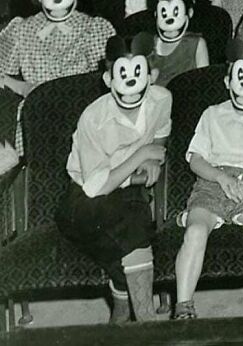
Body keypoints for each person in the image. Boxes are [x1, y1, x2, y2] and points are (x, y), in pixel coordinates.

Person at [56, 33, 171, 323]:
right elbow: (95, 188)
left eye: (138, 73)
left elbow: (161, 134)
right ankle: (146, 324)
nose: (131, 84)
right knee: (134, 228)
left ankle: (121, 311)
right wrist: (142, 154)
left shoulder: (162, 99)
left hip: (127, 190)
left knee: (134, 223)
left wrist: (154, 158)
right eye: (122, 75)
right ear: (108, 80)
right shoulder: (92, 118)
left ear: (152, 76)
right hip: (82, 199)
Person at [174, 38, 243, 319]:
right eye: (239, 76)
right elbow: (197, 159)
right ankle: (183, 308)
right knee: (195, 232)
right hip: (213, 183)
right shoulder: (212, 114)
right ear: (227, 81)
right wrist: (222, 179)